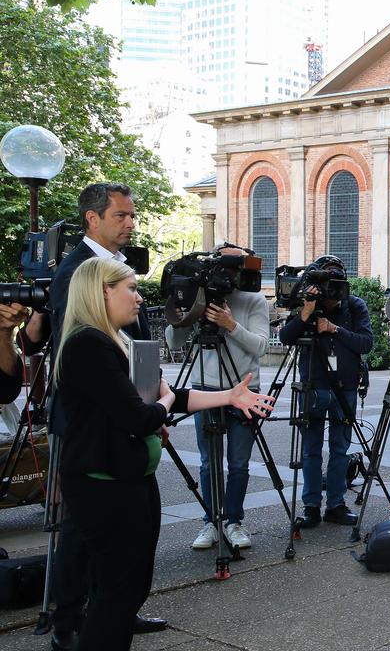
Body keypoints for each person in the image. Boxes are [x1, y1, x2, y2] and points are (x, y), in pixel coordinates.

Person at [54, 257, 272, 651]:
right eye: (131, 289)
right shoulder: (88, 343)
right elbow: (141, 414)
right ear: (102, 291)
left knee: (130, 588)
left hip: (131, 479)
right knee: (116, 593)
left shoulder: (119, 340)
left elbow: (170, 397)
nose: (140, 298)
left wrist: (231, 396)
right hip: (104, 486)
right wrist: (163, 405)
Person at [37, 184, 168, 648]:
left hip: (125, 414)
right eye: (121, 216)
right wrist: (150, 408)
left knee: (117, 556)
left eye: (132, 216)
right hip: (91, 424)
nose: (130, 223)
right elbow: (67, 346)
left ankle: (113, 608)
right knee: (81, 526)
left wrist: (148, 401)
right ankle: (70, 619)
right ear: (92, 219)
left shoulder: (118, 269)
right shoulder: (75, 273)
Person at [165, 244, 269, 552]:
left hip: (245, 390)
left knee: (238, 463)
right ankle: (210, 521)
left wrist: (230, 325)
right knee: (210, 463)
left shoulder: (253, 298)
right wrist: (182, 314)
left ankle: (233, 521)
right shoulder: (199, 293)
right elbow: (175, 342)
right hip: (205, 389)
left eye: (233, 264)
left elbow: (261, 346)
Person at [278, 256, 373, 528]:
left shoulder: (355, 306)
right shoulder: (309, 304)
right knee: (310, 451)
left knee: (340, 449)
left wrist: (334, 329)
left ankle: (336, 505)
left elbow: (366, 343)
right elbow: (286, 338)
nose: (332, 295)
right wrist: (306, 311)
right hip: (313, 387)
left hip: (346, 388)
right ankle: (310, 507)